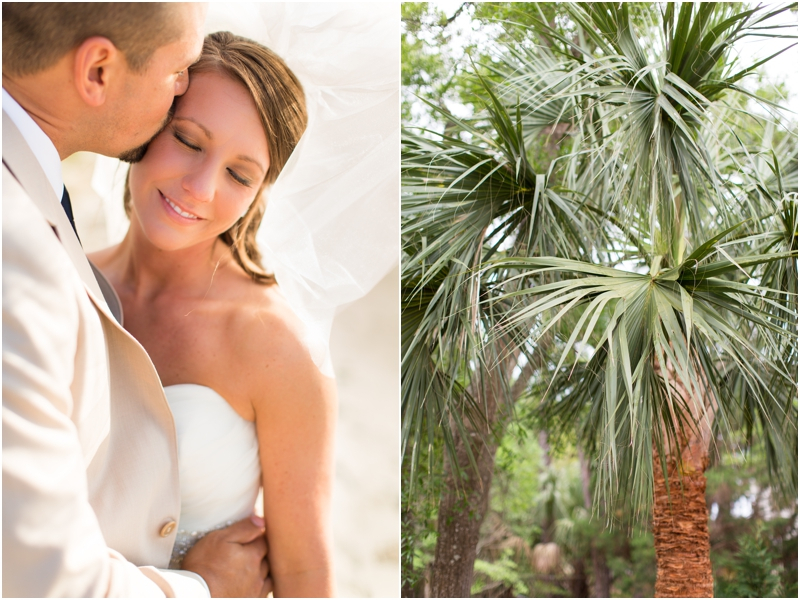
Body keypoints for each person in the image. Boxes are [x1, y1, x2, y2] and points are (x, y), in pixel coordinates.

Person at [2, 4, 271, 597]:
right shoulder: (18, 252)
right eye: (179, 72)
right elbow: (42, 577)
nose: (182, 90)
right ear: (98, 70)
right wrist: (202, 586)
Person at [89, 31, 337, 597]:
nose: (199, 188)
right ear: (149, 122)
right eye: (188, 139)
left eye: (239, 174)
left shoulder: (276, 346)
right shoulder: (67, 276)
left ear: (261, 194)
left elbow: (306, 578)